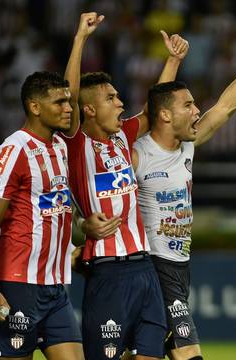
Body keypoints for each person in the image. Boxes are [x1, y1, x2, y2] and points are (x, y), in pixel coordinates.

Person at [132, 24, 236, 360]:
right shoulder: (138, 154)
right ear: (166, 115)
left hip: (179, 265)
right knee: (188, 352)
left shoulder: (188, 145)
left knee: (145, 352)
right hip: (152, 265)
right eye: (189, 105)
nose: (198, 111)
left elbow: (226, 106)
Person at [62, 12, 188, 360]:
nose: (120, 102)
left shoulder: (121, 138)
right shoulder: (76, 145)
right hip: (108, 271)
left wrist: (173, 61)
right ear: (88, 110)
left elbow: (153, 110)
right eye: (111, 98)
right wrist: (80, 40)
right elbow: (69, 97)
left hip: (145, 269)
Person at [0, 71, 84, 360]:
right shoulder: (13, 150)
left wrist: (72, 248)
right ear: (35, 107)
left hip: (55, 288)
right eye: (59, 102)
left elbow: (54, 209)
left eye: (68, 101)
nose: (68, 108)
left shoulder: (61, 147)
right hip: (17, 286)